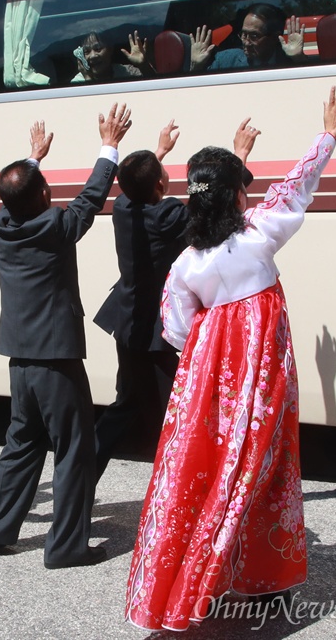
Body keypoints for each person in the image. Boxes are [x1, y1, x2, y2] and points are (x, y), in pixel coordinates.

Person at [125, 85, 336, 631]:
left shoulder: (185, 266)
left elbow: (178, 331)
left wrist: (216, 364)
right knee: (270, 471)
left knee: (209, 475)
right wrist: (328, 134)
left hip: (211, 394)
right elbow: (296, 189)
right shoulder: (257, 238)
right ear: (235, 197)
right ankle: (266, 583)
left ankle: (201, 578)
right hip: (268, 383)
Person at [0, 106, 132, 568]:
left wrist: (34, 159)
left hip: (20, 358)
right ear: (44, 194)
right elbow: (90, 198)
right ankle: (66, 546)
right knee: (74, 448)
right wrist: (110, 145)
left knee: (22, 441)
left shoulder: (0, 227)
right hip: (56, 359)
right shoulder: (54, 226)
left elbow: (20, 197)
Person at [93, 119, 260, 479]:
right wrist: (241, 155)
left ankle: (82, 472)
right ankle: (180, 481)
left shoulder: (124, 207)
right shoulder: (167, 215)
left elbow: (136, 185)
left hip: (126, 323)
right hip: (155, 331)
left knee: (128, 403)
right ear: (160, 184)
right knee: (174, 410)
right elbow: (212, 208)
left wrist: (159, 151)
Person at [191, 4, 304, 71]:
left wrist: (299, 59)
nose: (246, 42)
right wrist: (196, 66)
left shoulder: (289, 62)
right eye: (244, 34)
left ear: (274, 37)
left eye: (254, 36)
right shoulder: (226, 60)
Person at [71, 31, 148, 83]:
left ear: (110, 49)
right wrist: (88, 79)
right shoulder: (77, 81)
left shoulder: (126, 72)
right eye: (87, 51)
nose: (92, 56)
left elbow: (152, 87)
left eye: (98, 49)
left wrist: (143, 65)